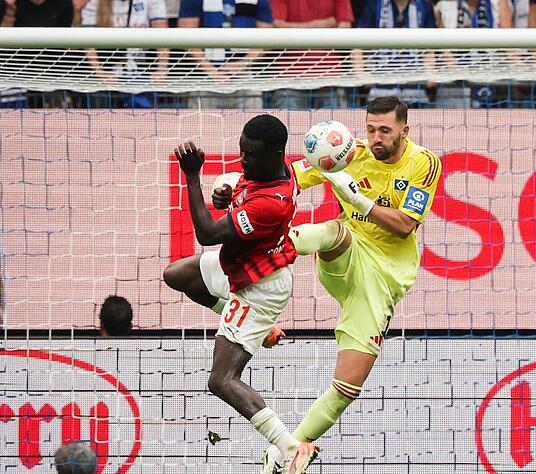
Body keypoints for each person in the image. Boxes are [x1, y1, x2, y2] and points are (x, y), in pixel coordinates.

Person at [214, 96, 442, 472]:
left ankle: (287, 451)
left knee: (347, 388)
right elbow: (282, 176)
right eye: (370, 128)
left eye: (385, 130)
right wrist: (227, 183)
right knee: (333, 231)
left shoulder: (424, 163)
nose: (376, 137)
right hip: (346, 253)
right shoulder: (346, 153)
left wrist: (359, 200)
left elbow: (405, 225)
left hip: (383, 279)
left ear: (405, 129)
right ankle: (242, 279)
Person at [163, 114, 316, 474]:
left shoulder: (271, 204)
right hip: (241, 267)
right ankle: (261, 330)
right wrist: (225, 192)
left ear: (275, 153)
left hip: (258, 289)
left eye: (251, 155)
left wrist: (192, 175)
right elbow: (234, 194)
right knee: (177, 276)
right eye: (241, 151)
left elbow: (206, 233)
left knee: (221, 380)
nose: (243, 160)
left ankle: (290, 446)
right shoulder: (273, 170)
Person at [177, 0, 272, 109]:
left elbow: (266, 37)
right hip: (204, 76)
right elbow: (187, 37)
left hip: (245, 76)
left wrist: (241, 64)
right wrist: (211, 71)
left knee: (254, 121)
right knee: (202, 124)